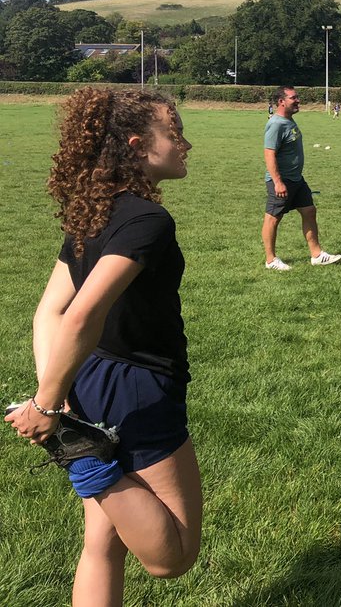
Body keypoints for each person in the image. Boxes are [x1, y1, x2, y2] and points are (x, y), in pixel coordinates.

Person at [5, 88, 202, 603]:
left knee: (102, 541)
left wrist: (60, 394)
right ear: (138, 145)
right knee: (172, 555)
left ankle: (82, 448)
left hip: (88, 380)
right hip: (137, 387)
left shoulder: (93, 212)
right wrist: (49, 406)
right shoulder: (146, 221)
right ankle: (87, 460)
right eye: (174, 131)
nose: (186, 143)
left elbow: (49, 311)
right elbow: (80, 315)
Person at [262, 86, 341, 269]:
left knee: (309, 211)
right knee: (273, 218)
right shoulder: (276, 124)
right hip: (282, 180)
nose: (298, 100)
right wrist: (278, 182)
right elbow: (269, 154)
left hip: (297, 179)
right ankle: (271, 260)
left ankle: (317, 255)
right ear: (281, 101)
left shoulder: (289, 121)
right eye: (293, 98)